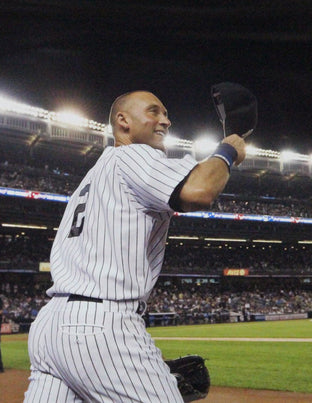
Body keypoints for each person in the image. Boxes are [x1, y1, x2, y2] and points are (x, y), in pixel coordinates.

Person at [24, 90, 246, 402]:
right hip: (100, 325)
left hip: (50, 328)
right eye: (154, 111)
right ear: (123, 121)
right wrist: (227, 151)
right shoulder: (133, 156)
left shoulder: (92, 177)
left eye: (166, 114)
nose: (165, 121)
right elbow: (200, 189)